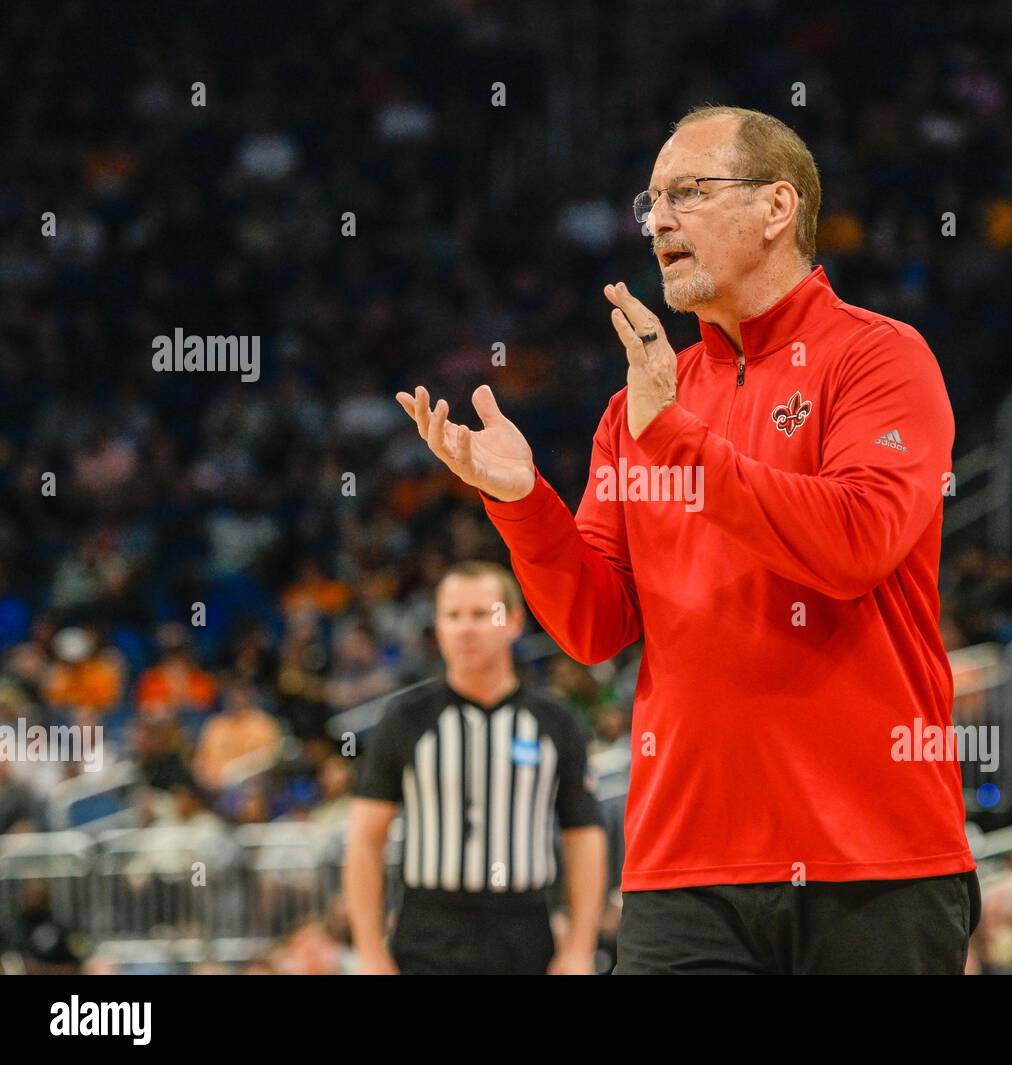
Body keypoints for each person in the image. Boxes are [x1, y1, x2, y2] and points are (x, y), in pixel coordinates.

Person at [397, 105, 977, 973]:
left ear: (778, 207)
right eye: (651, 201)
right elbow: (595, 626)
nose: (659, 221)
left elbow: (854, 543)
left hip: (873, 859)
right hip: (683, 870)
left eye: (688, 193)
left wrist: (674, 438)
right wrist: (522, 504)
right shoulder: (641, 409)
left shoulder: (880, 359)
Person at [345, 562, 606, 975]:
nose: (466, 628)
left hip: (526, 928)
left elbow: (584, 836)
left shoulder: (556, 721)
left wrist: (579, 948)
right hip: (429, 931)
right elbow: (364, 839)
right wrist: (370, 953)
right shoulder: (406, 718)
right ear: (438, 626)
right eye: (453, 615)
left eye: (482, 615)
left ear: (514, 622)